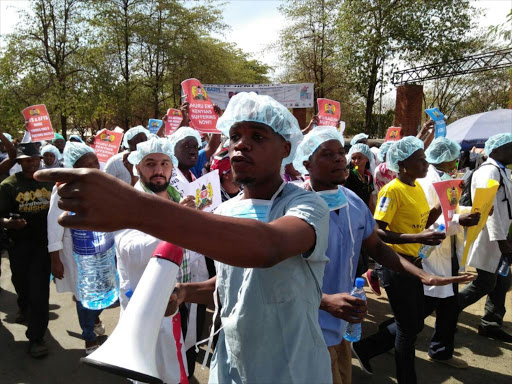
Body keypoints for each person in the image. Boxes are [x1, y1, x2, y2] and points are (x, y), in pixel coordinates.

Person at [35, 92, 333, 383]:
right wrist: (186, 293)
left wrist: (136, 208)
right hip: (231, 367)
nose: (241, 144)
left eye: (257, 137)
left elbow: (268, 247)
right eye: (235, 136)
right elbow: (236, 282)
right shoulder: (227, 209)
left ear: (285, 147)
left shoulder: (307, 205)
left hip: (291, 369)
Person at [294, 128, 473, 384]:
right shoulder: (293, 205)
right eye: (327, 154)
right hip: (303, 322)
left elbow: (377, 246)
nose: (339, 159)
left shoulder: (352, 202)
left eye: (340, 153)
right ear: (306, 163)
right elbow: (275, 274)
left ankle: (366, 349)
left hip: (341, 325)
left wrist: (424, 276)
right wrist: (322, 300)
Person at [351, 136, 472, 384]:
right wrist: (416, 236)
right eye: (420, 160)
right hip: (395, 264)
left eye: (425, 159)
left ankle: (365, 348)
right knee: (408, 330)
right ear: (403, 165)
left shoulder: (416, 188)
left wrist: (440, 213)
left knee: (414, 324)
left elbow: (422, 222)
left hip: (415, 262)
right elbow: (377, 230)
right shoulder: (392, 190)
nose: (426, 164)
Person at [115, 138, 190, 383]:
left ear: (172, 166)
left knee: (176, 362)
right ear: (138, 167)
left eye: (164, 163)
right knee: (151, 370)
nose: (158, 170)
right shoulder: (129, 202)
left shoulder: (179, 196)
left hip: (182, 296)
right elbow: (130, 250)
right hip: (146, 300)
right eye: (150, 163)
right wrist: (178, 222)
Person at [47, 142, 105, 355]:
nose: (93, 167)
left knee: (102, 292)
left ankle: (95, 316)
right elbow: (53, 225)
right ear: (74, 166)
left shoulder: (103, 185)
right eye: (86, 163)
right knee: (83, 295)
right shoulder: (63, 188)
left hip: (101, 251)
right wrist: (55, 259)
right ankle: (89, 337)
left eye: (95, 162)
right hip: (76, 253)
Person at [0, 143, 54, 357]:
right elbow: (1, 217)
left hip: (43, 245)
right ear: (19, 162)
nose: (31, 164)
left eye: (34, 159)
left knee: (39, 291)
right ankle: (23, 305)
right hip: (19, 245)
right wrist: (9, 223)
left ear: (40, 160)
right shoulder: (8, 185)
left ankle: (37, 338)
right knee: (21, 284)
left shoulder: (51, 183)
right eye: (26, 161)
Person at [458, 133, 512, 342]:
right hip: (489, 237)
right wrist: (501, 240)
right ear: (497, 149)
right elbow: (490, 208)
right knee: (485, 283)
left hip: (500, 236)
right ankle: (449, 308)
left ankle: (491, 322)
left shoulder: (501, 170)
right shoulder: (489, 172)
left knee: (502, 281)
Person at [344, 143, 376, 212]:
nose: (356, 161)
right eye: (353, 158)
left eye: (360, 158)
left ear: (367, 159)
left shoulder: (369, 177)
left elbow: (370, 201)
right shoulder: (348, 176)